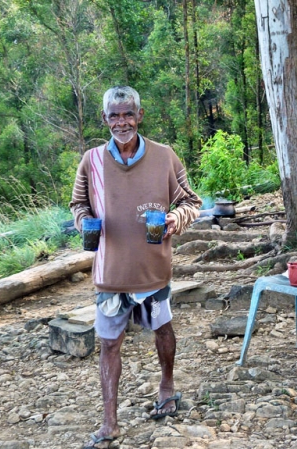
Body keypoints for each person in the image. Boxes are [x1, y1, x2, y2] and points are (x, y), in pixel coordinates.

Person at [70, 86, 202, 448]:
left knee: (162, 328)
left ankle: (167, 388)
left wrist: (177, 218)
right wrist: (84, 221)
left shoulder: (164, 157)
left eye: (128, 114)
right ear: (105, 120)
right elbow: (78, 203)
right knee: (109, 344)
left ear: (140, 116)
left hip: (152, 272)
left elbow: (191, 201)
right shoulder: (92, 161)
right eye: (114, 116)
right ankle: (109, 422)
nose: (121, 122)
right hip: (110, 275)